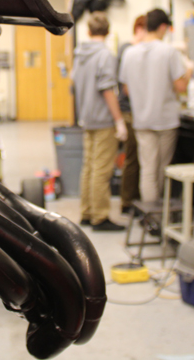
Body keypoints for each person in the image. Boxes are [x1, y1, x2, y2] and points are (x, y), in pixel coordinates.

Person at [119, 8, 193, 204]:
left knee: (147, 170)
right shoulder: (169, 52)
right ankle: (159, 214)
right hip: (165, 120)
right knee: (162, 168)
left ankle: (150, 217)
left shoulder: (129, 53)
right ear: (162, 27)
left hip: (142, 120)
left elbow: (126, 89)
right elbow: (180, 86)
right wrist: (190, 71)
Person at [72, 12, 128, 231]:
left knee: (88, 167)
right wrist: (119, 120)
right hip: (103, 120)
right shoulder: (105, 55)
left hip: (86, 118)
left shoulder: (80, 54)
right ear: (108, 31)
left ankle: (87, 212)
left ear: (88, 31)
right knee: (101, 170)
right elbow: (107, 89)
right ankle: (100, 216)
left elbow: (74, 82)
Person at [117, 14, 146, 215]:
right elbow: (127, 87)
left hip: (135, 111)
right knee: (133, 158)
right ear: (140, 29)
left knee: (136, 158)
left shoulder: (131, 50)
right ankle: (128, 201)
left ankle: (132, 199)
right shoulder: (129, 50)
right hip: (130, 111)